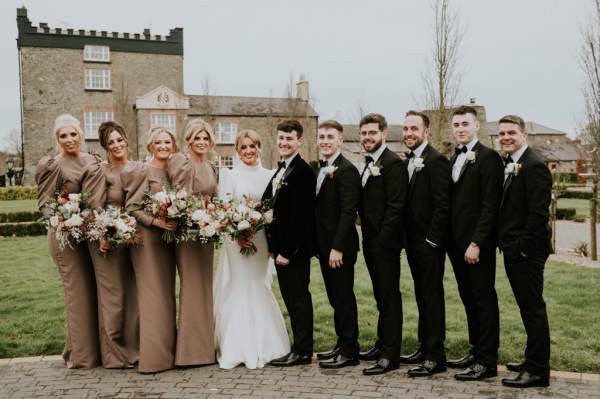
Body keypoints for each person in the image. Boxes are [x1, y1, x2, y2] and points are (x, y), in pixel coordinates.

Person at [214, 130, 290, 369]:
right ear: (237, 150)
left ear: (259, 147)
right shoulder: (229, 175)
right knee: (239, 285)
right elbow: (224, 210)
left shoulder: (272, 175)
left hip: (261, 240)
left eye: (252, 146)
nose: (248, 151)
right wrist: (237, 234)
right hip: (236, 242)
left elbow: (274, 211)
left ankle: (268, 344)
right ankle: (236, 345)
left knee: (259, 284)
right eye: (243, 147)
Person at [35, 114, 101, 369]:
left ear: (81, 134)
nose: (69, 139)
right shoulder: (52, 165)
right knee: (77, 293)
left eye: (73, 134)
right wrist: (65, 219)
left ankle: (94, 350)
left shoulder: (92, 159)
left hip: (90, 234)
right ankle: (80, 356)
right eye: (63, 136)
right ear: (57, 139)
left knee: (94, 290)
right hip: (65, 237)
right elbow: (45, 204)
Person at [446, 106, 503, 381]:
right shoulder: (453, 157)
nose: (460, 129)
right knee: (468, 297)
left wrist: (477, 242)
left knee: (483, 299)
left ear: (477, 126)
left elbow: (490, 205)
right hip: (456, 244)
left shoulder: (489, 158)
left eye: (465, 124)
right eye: (456, 124)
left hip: (476, 245)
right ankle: (476, 349)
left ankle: (487, 360)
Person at [496, 115, 552, 388]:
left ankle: (538, 372)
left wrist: (523, 249)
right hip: (514, 249)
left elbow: (538, 214)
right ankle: (532, 360)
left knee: (533, 309)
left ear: (524, 134)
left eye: (511, 132)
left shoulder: (534, 166)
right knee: (526, 307)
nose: (505, 137)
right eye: (502, 133)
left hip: (527, 252)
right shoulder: (514, 163)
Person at [121, 126, 178, 373]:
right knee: (152, 296)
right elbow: (132, 207)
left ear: (174, 145)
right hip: (147, 241)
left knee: (166, 295)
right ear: (150, 146)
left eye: (167, 142)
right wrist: (157, 222)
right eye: (159, 142)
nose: (163, 146)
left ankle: (170, 352)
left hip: (169, 241)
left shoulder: (175, 170)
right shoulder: (142, 169)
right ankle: (154, 358)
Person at [82, 121, 139, 369]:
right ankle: (113, 355)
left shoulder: (139, 168)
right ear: (105, 147)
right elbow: (94, 207)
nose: (117, 145)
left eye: (119, 139)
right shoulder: (100, 171)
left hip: (132, 241)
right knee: (112, 298)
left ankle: (133, 350)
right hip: (105, 240)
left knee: (131, 296)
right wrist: (103, 235)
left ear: (126, 139)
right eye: (111, 142)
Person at [400, 110, 451, 377]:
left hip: (429, 244)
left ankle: (436, 355)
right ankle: (423, 346)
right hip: (412, 242)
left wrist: (431, 240)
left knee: (432, 297)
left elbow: (443, 205)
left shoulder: (436, 161)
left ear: (426, 132)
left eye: (414, 128)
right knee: (421, 294)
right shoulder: (409, 160)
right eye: (406, 128)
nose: (408, 133)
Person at [262, 119, 316, 367]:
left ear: (300, 141)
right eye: (281, 139)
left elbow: (301, 217)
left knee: (298, 299)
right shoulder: (282, 169)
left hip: (293, 252)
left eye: (289, 139)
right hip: (280, 250)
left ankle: (303, 351)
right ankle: (299, 347)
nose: (284, 143)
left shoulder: (303, 172)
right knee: (291, 299)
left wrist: (286, 251)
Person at [357, 113, 408, 375]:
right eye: (364, 133)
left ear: (384, 134)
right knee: (380, 296)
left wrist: (382, 241)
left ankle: (391, 354)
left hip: (385, 244)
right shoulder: (369, 163)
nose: (367, 137)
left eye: (372, 133)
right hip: (370, 242)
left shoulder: (393, 164)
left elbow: (396, 207)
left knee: (389, 297)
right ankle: (381, 343)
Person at [167, 119, 217, 367]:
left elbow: (215, 199)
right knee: (191, 287)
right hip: (187, 233)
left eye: (205, 138)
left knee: (205, 288)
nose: (201, 142)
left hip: (207, 235)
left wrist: (216, 217)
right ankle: (189, 352)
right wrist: (197, 214)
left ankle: (205, 349)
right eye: (197, 138)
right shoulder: (181, 161)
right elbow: (180, 197)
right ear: (189, 140)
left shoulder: (210, 166)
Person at [313, 120, 361, 369]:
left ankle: (350, 351)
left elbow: (348, 212)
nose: (325, 140)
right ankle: (342, 343)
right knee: (334, 298)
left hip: (339, 249)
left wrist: (337, 247)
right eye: (321, 136)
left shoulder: (347, 170)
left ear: (340, 140)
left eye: (330, 136)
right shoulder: (323, 169)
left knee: (343, 298)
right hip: (324, 248)